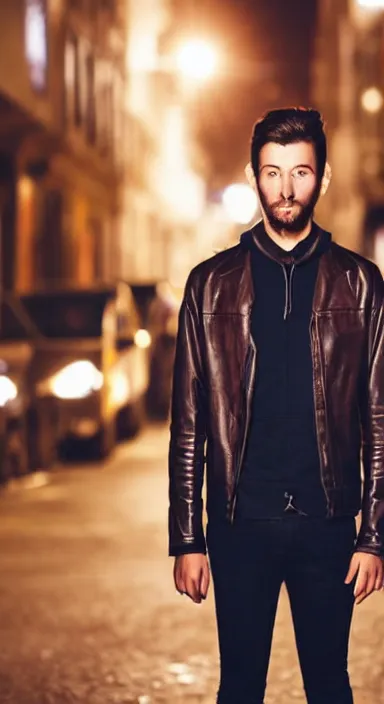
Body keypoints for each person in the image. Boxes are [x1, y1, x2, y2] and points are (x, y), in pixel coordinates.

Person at [168, 107, 384, 704]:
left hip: (330, 526)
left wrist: (374, 537)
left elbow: (380, 419)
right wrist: (188, 539)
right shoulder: (208, 285)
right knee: (238, 685)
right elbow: (188, 424)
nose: (286, 190)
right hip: (240, 526)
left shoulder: (361, 284)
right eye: (271, 173)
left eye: (301, 173)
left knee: (329, 685)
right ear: (252, 175)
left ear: (324, 177)